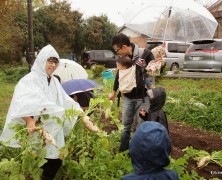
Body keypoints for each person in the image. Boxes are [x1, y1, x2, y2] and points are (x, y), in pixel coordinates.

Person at [0, 45, 84, 180]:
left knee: (55, 158)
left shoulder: (54, 81)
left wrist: (81, 113)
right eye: (49, 61)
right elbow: (20, 103)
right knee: (44, 158)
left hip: (53, 126)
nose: (53, 65)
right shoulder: (30, 80)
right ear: (41, 61)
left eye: (55, 62)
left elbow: (65, 100)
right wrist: (29, 120)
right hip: (38, 127)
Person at [109, 33, 155, 152]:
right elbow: (119, 75)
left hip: (144, 100)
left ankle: (135, 151)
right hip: (128, 99)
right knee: (125, 127)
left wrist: (157, 65)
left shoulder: (145, 54)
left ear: (123, 47)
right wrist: (114, 92)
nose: (116, 53)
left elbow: (156, 69)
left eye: (116, 50)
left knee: (141, 126)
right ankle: (123, 151)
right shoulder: (122, 60)